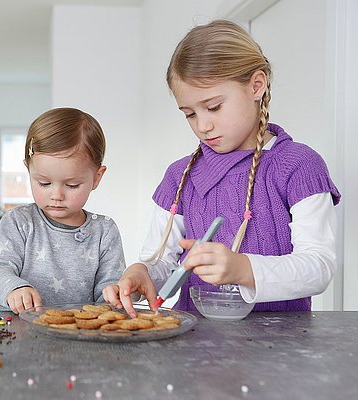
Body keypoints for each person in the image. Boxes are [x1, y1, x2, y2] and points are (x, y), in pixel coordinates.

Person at [103, 19, 341, 317]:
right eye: (189, 114)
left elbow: (318, 267)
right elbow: (165, 263)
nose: (203, 126)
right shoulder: (179, 177)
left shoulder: (300, 166)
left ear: (257, 85)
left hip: (281, 349)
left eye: (214, 107)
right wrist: (143, 273)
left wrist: (243, 269)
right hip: (194, 350)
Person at [0, 107, 126, 314]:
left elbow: (110, 290)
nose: (56, 195)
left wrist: (117, 295)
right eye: (44, 183)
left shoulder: (104, 230)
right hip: (17, 333)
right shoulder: (19, 222)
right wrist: (15, 288)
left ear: (97, 177)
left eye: (72, 185)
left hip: (77, 335)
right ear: (28, 169)